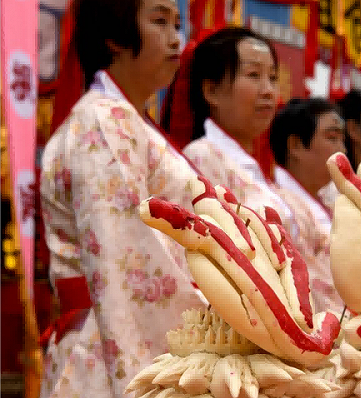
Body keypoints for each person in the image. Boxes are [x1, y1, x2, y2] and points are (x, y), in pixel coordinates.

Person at [39, 0, 206, 396]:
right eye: (160, 21)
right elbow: (128, 258)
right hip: (110, 342)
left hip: (106, 337)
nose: (175, 38)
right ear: (114, 37)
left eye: (177, 24)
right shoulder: (105, 119)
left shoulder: (121, 118)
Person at [170, 27, 299, 237]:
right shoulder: (202, 157)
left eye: (273, 77)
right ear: (211, 91)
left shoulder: (256, 167)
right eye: (254, 75)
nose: (268, 90)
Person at [268, 98, 346, 313]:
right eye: (332, 138)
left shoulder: (332, 203)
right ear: (295, 145)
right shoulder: (276, 204)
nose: (342, 150)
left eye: (342, 140)